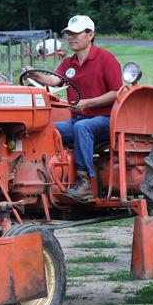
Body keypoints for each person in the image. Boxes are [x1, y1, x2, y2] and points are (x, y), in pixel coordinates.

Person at [26, 15, 122, 201]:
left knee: (82, 127)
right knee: (47, 129)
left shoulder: (105, 58)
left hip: (105, 119)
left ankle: (84, 181)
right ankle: (46, 177)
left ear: (90, 35)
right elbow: (54, 80)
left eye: (75, 33)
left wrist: (89, 102)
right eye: (68, 34)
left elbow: (116, 92)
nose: (70, 38)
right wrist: (35, 74)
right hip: (78, 119)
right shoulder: (69, 63)